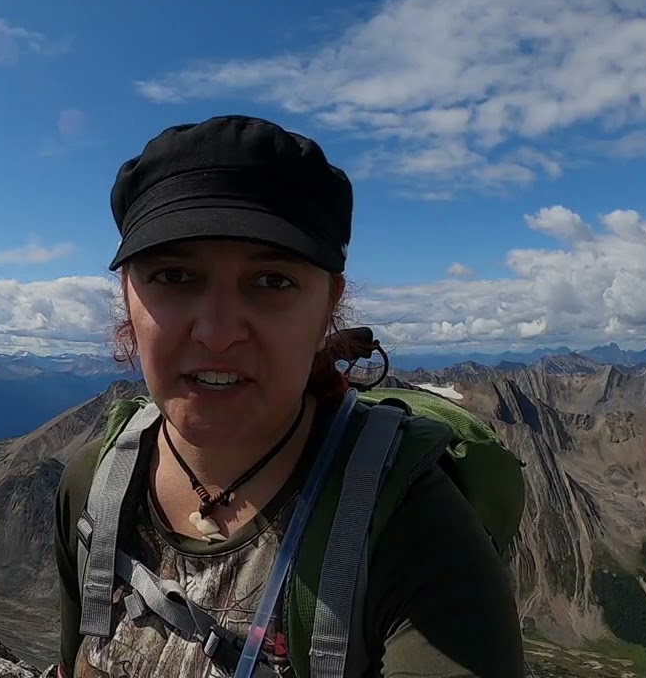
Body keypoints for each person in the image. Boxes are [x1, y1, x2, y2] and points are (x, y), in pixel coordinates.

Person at [54, 115, 525, 677]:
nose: (218, 332)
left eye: (272, 281)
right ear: (128, 296)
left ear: (329, 304)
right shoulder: (94, 488)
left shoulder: (414, 531)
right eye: (175, 276)